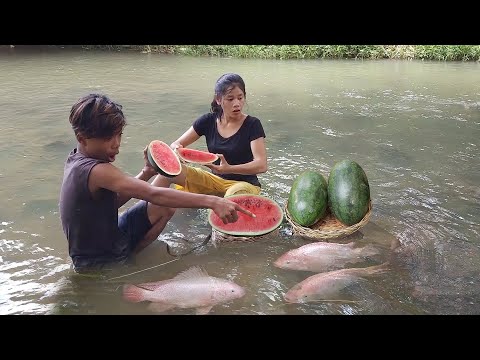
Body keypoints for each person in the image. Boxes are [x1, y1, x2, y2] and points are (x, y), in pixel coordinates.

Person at [59, 93, 254, 273]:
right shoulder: (97, 170)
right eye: (108, 138)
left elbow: (112, 203)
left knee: (164, 207)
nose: (116, 143)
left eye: (119, 135)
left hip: (110, 234)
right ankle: (121, 266)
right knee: (160, 201)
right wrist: (212, 202)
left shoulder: (77, 159)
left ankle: (129, 255)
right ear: (82, 138)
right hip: (95, 259)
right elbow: (153, 194)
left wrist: (146, 172)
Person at [154, 73, 268, 198]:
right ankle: (141, 211)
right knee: (167, 174)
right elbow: (176, 144)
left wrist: (229, 168)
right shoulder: (208, 121)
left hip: (244, 185)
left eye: (240, 98)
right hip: (214, 180)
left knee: (233, 196)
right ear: (218, 99)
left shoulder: (253, 124)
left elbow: (261, 165)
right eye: (230, 99)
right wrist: (177, 150)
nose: (237, 104)